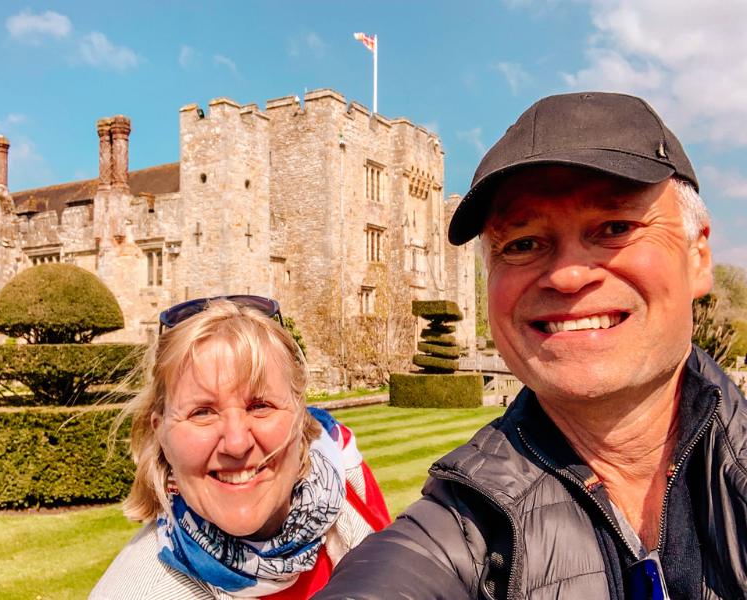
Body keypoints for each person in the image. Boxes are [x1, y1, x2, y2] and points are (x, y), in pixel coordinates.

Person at [315, 92, 747, 599]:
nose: (566, 275)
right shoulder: (460, 529)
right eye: (521, 244)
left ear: (698, 257)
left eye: (615, 228)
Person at [92, 295, 389, 599]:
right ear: (162, 435)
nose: (236, 443)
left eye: (260, 406)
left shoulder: (344, 477)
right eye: (202, 412)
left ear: (301, 416)